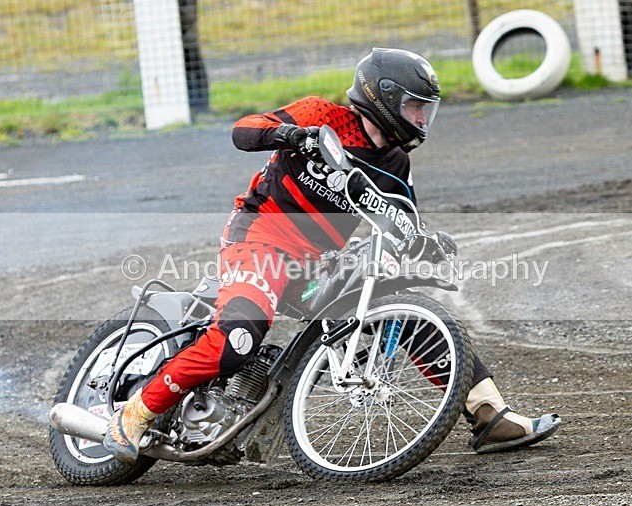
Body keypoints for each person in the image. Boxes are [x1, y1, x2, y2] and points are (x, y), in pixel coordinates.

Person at [103, 48, 561, 462]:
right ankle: (133, 415)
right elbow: (244, 130)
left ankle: (488, 410)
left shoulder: (396, 164)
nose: (422, 119)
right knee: (239, 336)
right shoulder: (321, 116)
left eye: (426, 109)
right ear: (382, 100)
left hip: (314, 264)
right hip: (258, 239)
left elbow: (402, 221)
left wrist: (423, 242)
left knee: (394, 305)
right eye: (414, 107)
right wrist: (292, 135)